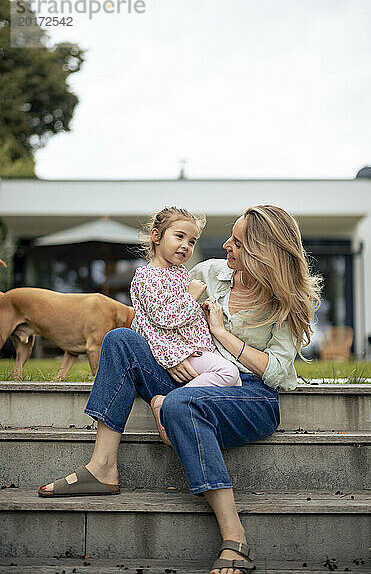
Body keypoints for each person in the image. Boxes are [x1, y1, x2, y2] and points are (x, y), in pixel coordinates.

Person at [38, 205, 321, 574]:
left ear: (261, 253)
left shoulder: (285, 301)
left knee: (179, 404)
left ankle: (235, 536)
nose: (225, 246)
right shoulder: (207, 274)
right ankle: (103, 467)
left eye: (236, 242)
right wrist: (166, 354)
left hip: (248, 394)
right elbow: (157, 314)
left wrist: (223, 335)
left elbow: (281, 374)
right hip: (189, 373)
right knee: (121, 339)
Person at [130, 207, 242, 445]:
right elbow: (163, 316)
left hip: (192, 346)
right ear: (156, 236)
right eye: (179, 236)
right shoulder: (146, 277)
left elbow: (181, 315)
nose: (186, 246)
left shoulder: (179, 272)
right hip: (177, 350)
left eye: (192, 241)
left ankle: (192, 416)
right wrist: (190, 298)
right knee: (229, 373)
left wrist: (201, 310)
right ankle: (168, 403)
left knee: (237, 382)